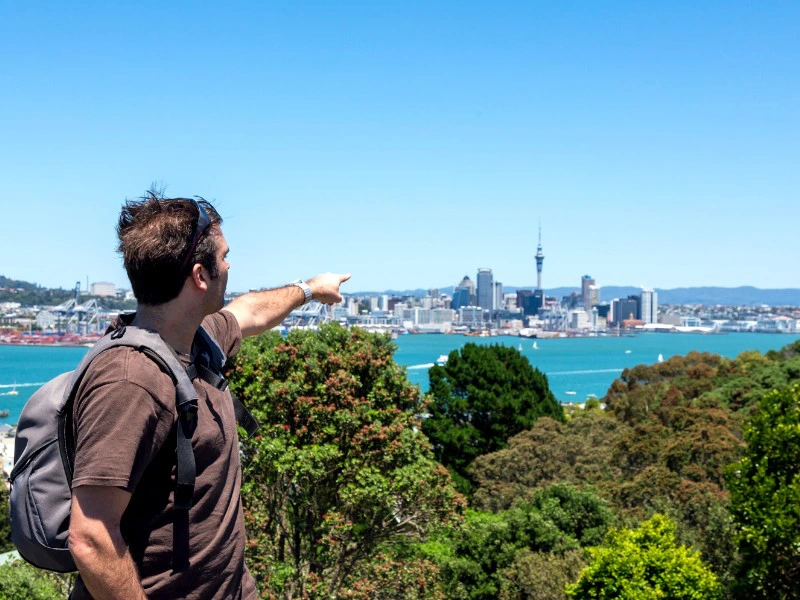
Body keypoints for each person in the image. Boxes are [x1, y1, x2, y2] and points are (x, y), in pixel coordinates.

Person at [67, 192, 350, 599]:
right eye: (225, 256)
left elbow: (249, 312)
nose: (230, 265)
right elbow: (91, 538)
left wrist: (310, 289)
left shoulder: (194, 339)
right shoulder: (130, 380)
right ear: (201, 275)